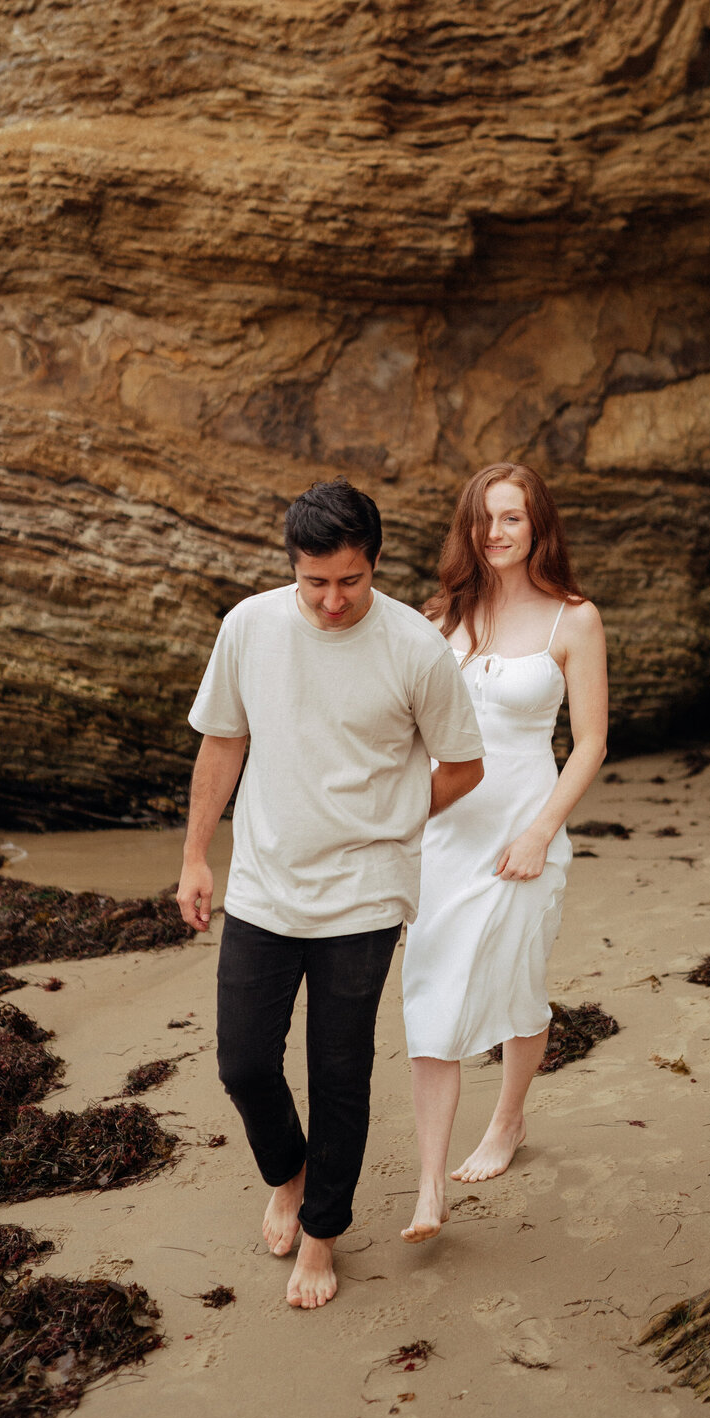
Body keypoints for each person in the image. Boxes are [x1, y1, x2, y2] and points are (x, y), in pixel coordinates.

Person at [176, 477, 484, 1308]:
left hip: (365, 893)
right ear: (293, 566)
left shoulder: (415, 647)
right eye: (315, 582)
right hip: (265, 885)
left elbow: (464, 765)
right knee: (244, 1063)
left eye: (351, 580)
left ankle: (322, 1236)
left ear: (375, 562)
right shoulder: (249, 627)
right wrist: (196, 856)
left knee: (339, 1073)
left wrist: (393, 819)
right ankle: (290, 1173)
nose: (333, 600)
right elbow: (223, 744)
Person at [400, 462, 608, 1243]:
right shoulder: (440, 617)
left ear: (537, 524)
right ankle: (429, 1188)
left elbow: (591, 743)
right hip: (443, 836)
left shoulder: (573, 620)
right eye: (484, 518)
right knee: (431, 993)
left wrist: (539, 833)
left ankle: (509, 1118)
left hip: (526, 828)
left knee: (517, 985)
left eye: (512, 517)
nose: (496, 532)